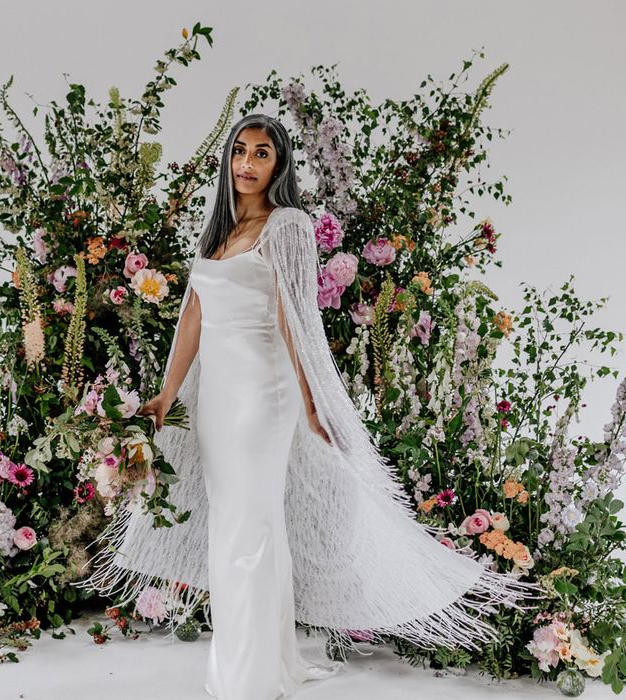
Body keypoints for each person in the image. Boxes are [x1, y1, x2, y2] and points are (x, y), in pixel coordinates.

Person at [79, 114, 546, 700]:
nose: (247, 164)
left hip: (262, 400)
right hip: (215, 405)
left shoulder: (288, 226)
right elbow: (193, 315)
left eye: (262, 154)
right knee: (238, 526)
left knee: (246, 531)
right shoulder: (218, 232)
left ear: (280, 165)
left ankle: (242, 682)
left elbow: (295, 320)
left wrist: (311, 404)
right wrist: (166, 396)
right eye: (240, 152)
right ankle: (264, 666)